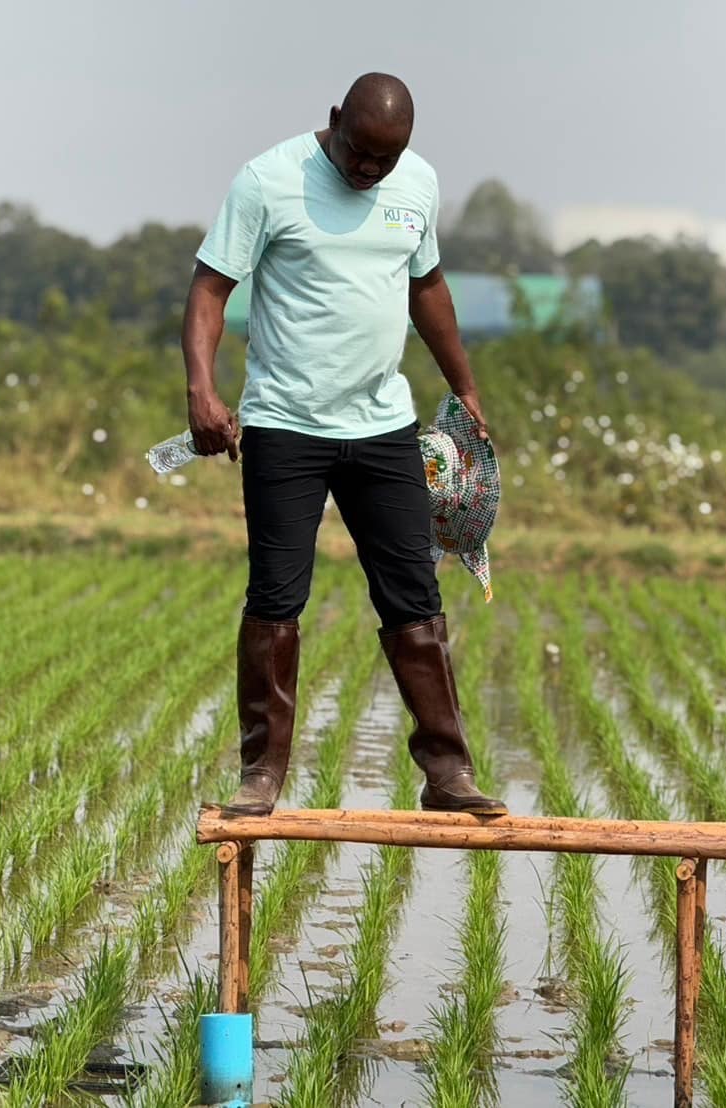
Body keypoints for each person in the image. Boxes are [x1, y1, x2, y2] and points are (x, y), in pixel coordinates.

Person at [180, 72, 506, 818]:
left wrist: (465, 388)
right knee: (275, 596)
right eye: (359, 154)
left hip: (382, 425)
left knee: (413, 598)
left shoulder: (415, 184)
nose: (368, 171)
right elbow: (209, 288)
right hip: (284, 425)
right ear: (333, 122)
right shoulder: (268, 181)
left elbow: (427, 288)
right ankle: (261, 774)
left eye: (383, 161)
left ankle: (448, 775)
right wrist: (202, 389)